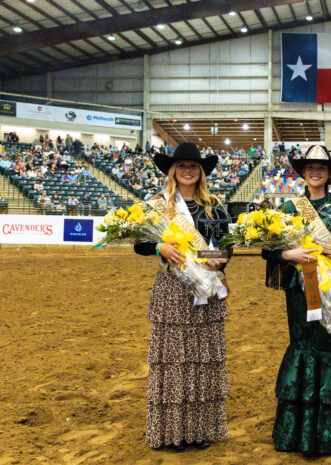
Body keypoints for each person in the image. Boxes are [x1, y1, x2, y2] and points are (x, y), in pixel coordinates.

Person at [261, 145, 331, 456]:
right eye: (310, 166)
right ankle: (300, 433)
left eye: (321, 167)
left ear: (330, 173)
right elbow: (267, 249)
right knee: (303, 346)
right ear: (303, 171)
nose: (315, 171)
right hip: (300, 289)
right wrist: (288, 254)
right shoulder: (288, 208)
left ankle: (330, 432)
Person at [133, 142, 232, 451]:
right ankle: (172, 432)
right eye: (182, 165)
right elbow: (138, 242)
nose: (187, 170)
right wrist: (158, 247)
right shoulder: (159, 204)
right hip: (173, 289)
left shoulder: (214, 205)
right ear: (173, 170)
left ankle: (198, 430)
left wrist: (220, 258)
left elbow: (226, 245)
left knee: (201, 361)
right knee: (175, 361)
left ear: (200, 171)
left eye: (193, 165)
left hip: (206, 287)